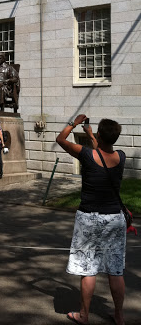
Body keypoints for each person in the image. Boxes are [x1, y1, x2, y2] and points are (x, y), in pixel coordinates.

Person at [56, 115, 126, 325]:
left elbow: (61, 140)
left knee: (88, 269)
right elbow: (102, 154)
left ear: (99, 135)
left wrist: (73, 123)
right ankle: (119, 317)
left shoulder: (86, 155)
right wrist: (89, 134)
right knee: (116, 269)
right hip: (115, 218)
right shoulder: (120, 156)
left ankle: (84, 315)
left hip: (90, 218)